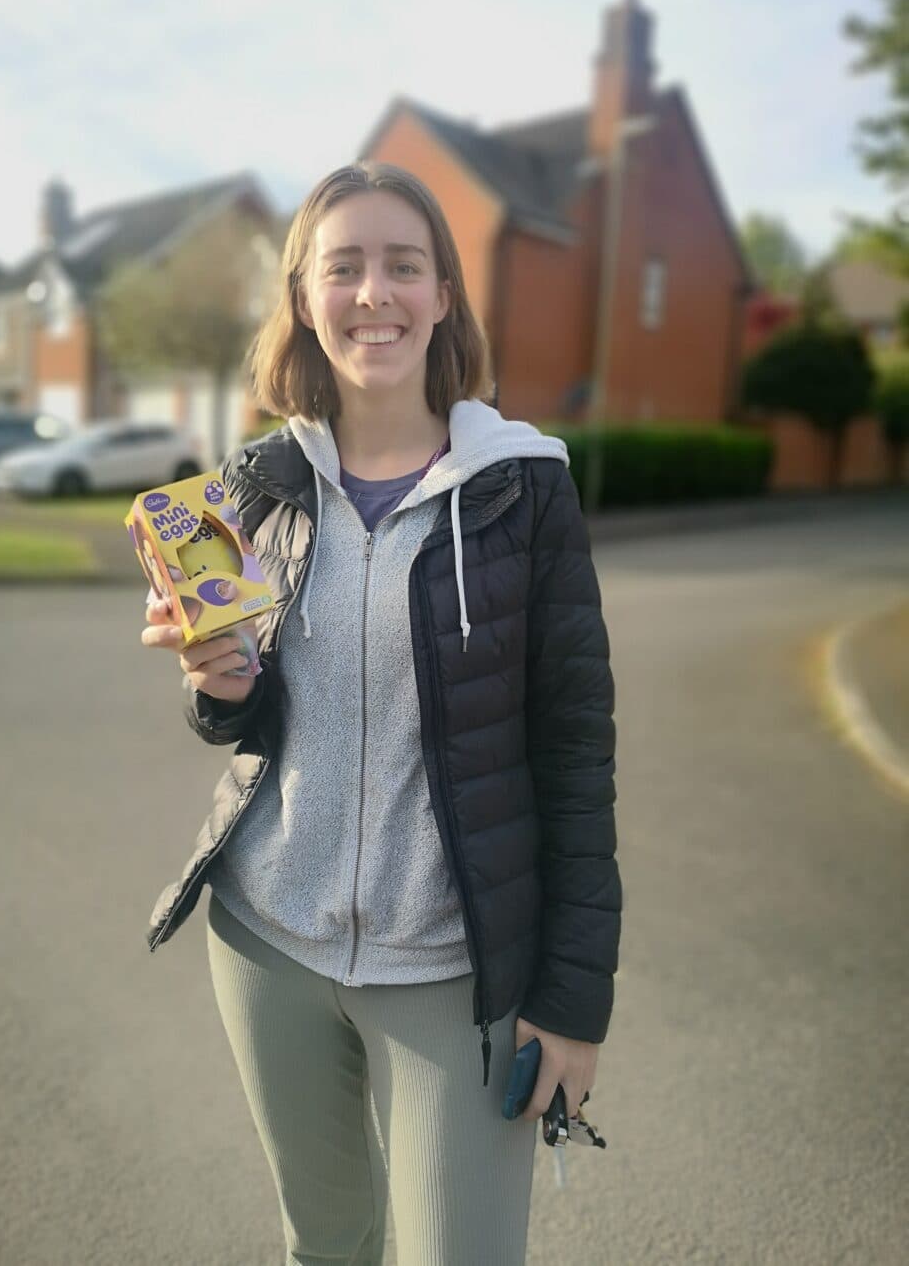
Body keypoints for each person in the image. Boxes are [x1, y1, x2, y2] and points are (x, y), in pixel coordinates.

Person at [141, 162, 621, 1265]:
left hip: (455, 972)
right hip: (268, 944)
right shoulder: (257, 485)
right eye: (342, 267)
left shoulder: (524, 488)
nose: (374, 294)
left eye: (403, 266)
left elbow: (574, 750)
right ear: (305, 297)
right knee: (327, 1243)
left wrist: (573, 998)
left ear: (443, 293)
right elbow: (250, 724)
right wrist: (221, 690)